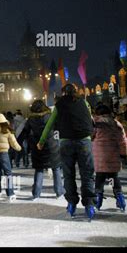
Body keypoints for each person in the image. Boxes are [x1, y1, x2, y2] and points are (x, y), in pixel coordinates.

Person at [38, 84, 96, 220]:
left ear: (63, 93)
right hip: (84, 141)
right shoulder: (84, 102)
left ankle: (71, 203)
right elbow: (90, 120)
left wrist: (41, 141)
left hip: (66, 142)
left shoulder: (59, 105)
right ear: (76, 92)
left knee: (69, 174)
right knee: (87, 174)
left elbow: (50, 124)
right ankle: (89, 205)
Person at [18, 100, 63, 201]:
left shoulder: (30, 119)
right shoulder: (50, 116)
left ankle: (36, 194)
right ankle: (59, 192)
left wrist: (17, 143)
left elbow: (24, 132)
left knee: (39, 170)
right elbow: (59, 127)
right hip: (52, 147)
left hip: (38, 147)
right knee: (56, 169)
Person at [92, 104, 127, 212]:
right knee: (113, 178)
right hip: (113, 156)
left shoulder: (95, 124)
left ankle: (98, 200)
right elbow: (122, 141)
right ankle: (120, 199)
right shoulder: (117, 124)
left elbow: (90, 136)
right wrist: (123, 154)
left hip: (100, 157)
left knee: (100, 179)